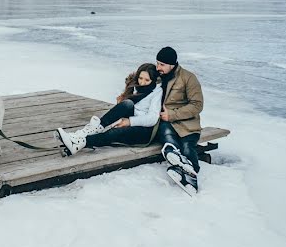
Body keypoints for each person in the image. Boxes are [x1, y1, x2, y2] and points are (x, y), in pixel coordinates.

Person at [56, 63, 162, 154]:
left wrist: (130, 121)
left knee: (113, 133)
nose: (142, 83)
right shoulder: (137, 88)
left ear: (153, 80)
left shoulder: (157, 92)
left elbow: (152, 118)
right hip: (133, 119)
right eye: (140, 78)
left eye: (147, 80)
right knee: (127, 104)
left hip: (144, 132)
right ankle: (84, 133)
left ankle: (80, 142)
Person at [154, 46, 204, 194]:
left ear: (172, 64)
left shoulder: (188, 78)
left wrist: (172, 115)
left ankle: (190, 175)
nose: (158, 67)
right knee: (168, 136)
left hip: (187, 124)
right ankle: (176, 160)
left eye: (162, 64)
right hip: (165, 122)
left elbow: (197, 105)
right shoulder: (157, 77)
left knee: (188, 147)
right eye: (157, 63)